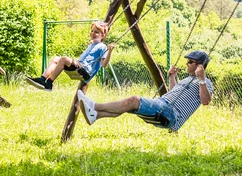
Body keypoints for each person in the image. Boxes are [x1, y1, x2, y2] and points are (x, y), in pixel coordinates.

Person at [77, 50, 213, 132]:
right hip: (164, 105)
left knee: (133, 100)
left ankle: (94, 106)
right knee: (128, 106)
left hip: (171, 114)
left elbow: (206, 101)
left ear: (200, 66)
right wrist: (172, 78)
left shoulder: (206, 82)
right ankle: (96, 115)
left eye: (190, 62)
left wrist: (201, 79)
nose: (186, 64)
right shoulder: (187, 79)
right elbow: (174, 94)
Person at [26, 21, 115, 91]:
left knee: (64, 59)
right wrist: (91, 43)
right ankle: (42, 79)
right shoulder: (92, 44)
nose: (92, 33)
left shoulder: (102, 47)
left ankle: (49, 83)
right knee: (55, 59)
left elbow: (104, 65)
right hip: (79, 66)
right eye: (92, 31)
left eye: (96, 32)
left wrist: (110, 51)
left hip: (85, 71)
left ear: (102, 35)